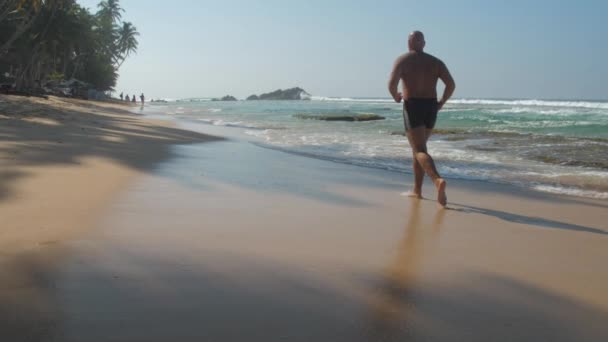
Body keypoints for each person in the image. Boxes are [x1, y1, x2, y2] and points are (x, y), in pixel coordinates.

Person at [388, 31, 455, 207]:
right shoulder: (436, 62)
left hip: (414, 107)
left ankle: (437, 180)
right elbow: (451, 84)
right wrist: (441, 102)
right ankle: (417, 191)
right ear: (423, 43)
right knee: (419, 149)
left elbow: (392, 84)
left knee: (419, 150)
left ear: (409, 42)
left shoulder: (403, 60)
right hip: (431, 106)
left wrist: (396, 96)